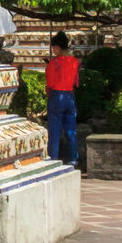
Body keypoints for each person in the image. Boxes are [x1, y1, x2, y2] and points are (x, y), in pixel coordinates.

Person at [45, 30, 80, 167]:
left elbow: (51, 83)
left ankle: (53, 158)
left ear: (58, 47)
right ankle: (73, 159)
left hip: (56, 96)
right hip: (70, 96)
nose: (53, 50)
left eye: (53, 47)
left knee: (54, 130)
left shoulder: (54, 63)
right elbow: (76, 81)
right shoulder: (75, 61)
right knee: (71, 130)